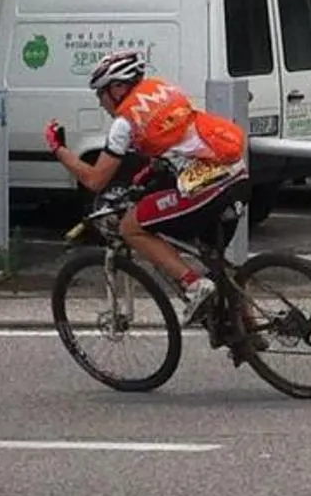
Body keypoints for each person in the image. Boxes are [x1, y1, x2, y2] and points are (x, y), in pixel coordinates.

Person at [45, 48, 249, 321]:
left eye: (101, 94)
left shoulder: (124, 121)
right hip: (237, 175)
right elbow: (176, 145)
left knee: (131, 227)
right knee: (215, 259)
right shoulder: (164, 90)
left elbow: (95, 180)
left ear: (117, 88)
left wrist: (59, 150)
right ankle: (248, 329)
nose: (100, 102)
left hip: (206, 187)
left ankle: (193, 284)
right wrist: (143, 177)